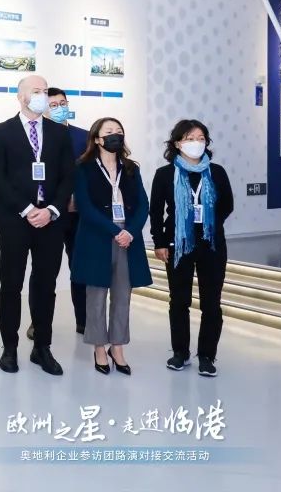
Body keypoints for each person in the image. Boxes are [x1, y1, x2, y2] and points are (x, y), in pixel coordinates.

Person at [0, 75, 75, 376]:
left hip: (51, 221)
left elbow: (68, 176)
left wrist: (51, 210)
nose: (42, 95)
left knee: (45, 285)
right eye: (36, 91)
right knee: (11, 285)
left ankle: (42, 347)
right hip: (14, 220)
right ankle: (9, 348)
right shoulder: (2, 131)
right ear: (20, 96)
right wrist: (27, 210)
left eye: (45, 91)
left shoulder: (59, 133)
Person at [150, 119, 234, 377]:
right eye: (190, 138)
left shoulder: (217, 172)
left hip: (211, 244)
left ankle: (207, 356)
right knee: (179, 300)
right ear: (177, 143)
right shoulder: (165, 174)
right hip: (178, 244)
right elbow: (156, 211)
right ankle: (180, 352)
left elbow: (227, 204)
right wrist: (159, 242)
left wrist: (209, 223)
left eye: (201, 138)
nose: (196, 143)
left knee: (211, 302)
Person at [71, 118, 150, 375]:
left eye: (119, 131)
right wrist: (116, 232)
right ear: (97, 139)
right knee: (95, 297)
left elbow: (143, 205)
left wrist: (130, 232)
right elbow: (85, 207)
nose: (115, 135)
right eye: (109, 132)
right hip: (97, 237)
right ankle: (99, 348)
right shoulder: (83, 168)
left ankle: (117, 347)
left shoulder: (131, 168)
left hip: (127, 238)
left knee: (122, 296)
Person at [28, 87, 89, 341]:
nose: (58, 108)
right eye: (52, 104)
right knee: (43, 272)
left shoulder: (84, 137)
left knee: (81, 269)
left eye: (62, 103)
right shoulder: (36, 135)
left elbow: (91, 175)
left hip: (79, 215)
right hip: (49, 214)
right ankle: (38, 322)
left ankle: (85, 321)